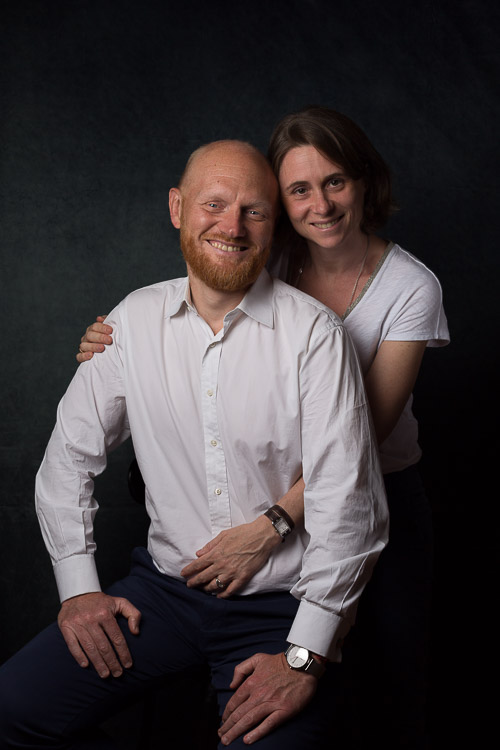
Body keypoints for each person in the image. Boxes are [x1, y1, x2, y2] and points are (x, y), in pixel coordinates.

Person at [79, 107, 450, 748]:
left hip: (374, 504)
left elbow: (356, 454)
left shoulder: (410, 286)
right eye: (299, 190)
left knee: (382, 684)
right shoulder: (262, 257)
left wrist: (270, 526)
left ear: (364, 182)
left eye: (335, 182)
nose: (321, 204)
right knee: (236, 686)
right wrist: (111, 342)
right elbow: (192, 326)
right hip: (264, 499)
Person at [0, 139, 389, 750]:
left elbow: (347, 501)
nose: (231, 226)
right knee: (11, 711)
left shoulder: (315, 334)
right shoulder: (130, 323)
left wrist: (305, 655)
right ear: (178, 208)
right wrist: (79, 590)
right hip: (162, 596)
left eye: (254, 211)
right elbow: (66, 462)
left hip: (282, 607)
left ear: (273, 225)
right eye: (214, 204)